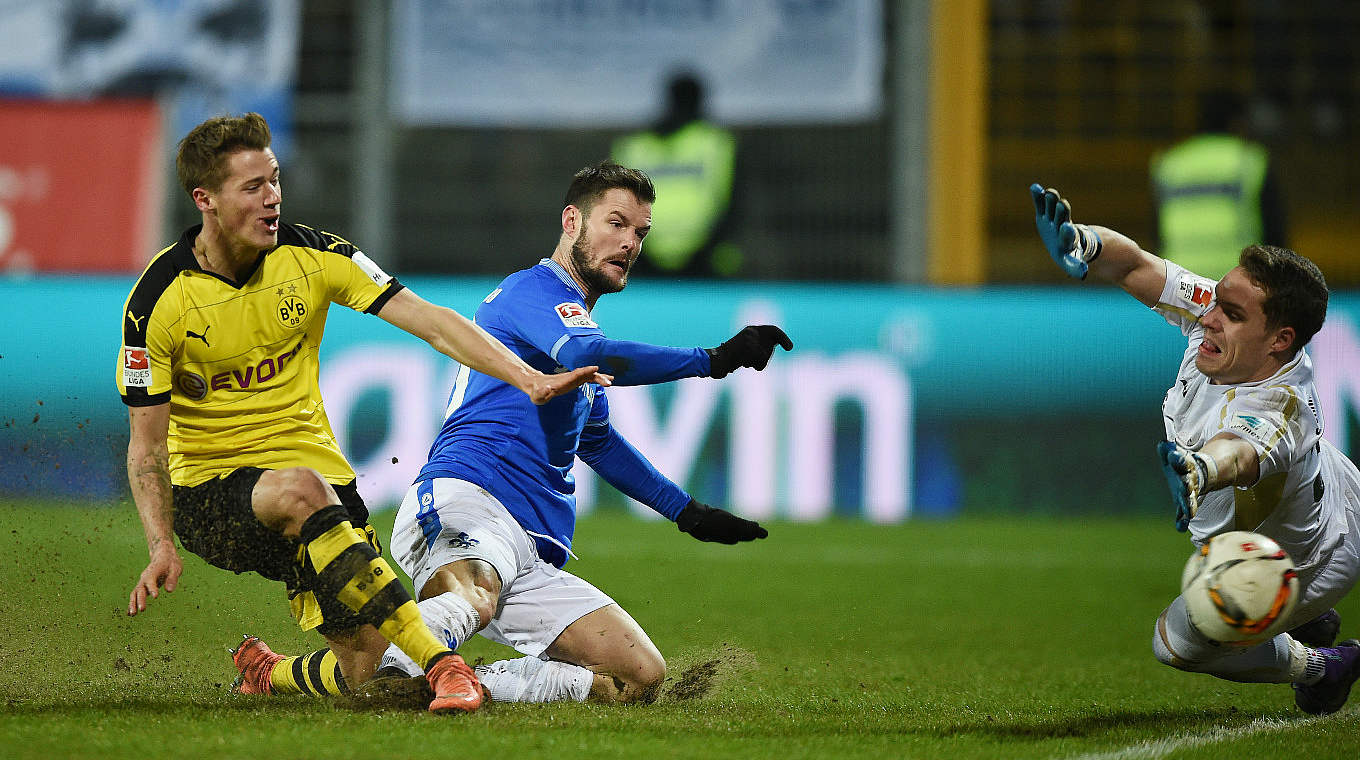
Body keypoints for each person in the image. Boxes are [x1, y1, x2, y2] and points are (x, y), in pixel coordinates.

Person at [241, 160, 792, 706]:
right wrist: (713, 360)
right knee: (470, 598)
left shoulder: (575, 328)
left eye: (640, 232)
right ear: (572, 222)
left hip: (533, 551)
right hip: (468, 498)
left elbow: (597, 442)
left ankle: (296, 673)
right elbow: (583, 352)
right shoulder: (530, 294)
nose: (630, 243)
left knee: (636, 678)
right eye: (616, 223)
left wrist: (687, 513)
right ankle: (384, 671)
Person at [118, 112, 604, 715]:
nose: (273, 198)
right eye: (253, 187)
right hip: (211, 495)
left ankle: (272, 672)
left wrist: (528, 379)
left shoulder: (315, 255)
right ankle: (445, 665)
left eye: (274, 180)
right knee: (300, 490)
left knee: (370, 674)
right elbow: (147, 446)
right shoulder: (155, 303)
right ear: (205, 200)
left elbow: (428, 319)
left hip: (318, 486)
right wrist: (161, 542)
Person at [1030, 183, 1360, 715]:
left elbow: (1240, 453)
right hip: (1335, 489)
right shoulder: (1232, 323)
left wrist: (1200, 470)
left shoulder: (1278, 407)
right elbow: (1135, 265)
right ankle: (1301, 624)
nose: (1208, 316)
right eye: (1217, 302)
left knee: (1177, 641)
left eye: (1229, 313)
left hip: (1301, 561)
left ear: (1280, 340)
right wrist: (1084, 243)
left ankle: (1324, 665)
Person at [611, 73, 742, 277]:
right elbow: (735, 204)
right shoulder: (716, 143)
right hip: (702, 260)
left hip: (649, 257)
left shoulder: (633, 147)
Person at [1150, 89, 1287, 280]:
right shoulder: (1250, 161)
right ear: (1238, 121)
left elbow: (1157, 229)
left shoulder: (1170, 163)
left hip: (1178, 280)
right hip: (1237, 278)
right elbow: (1274, 230)